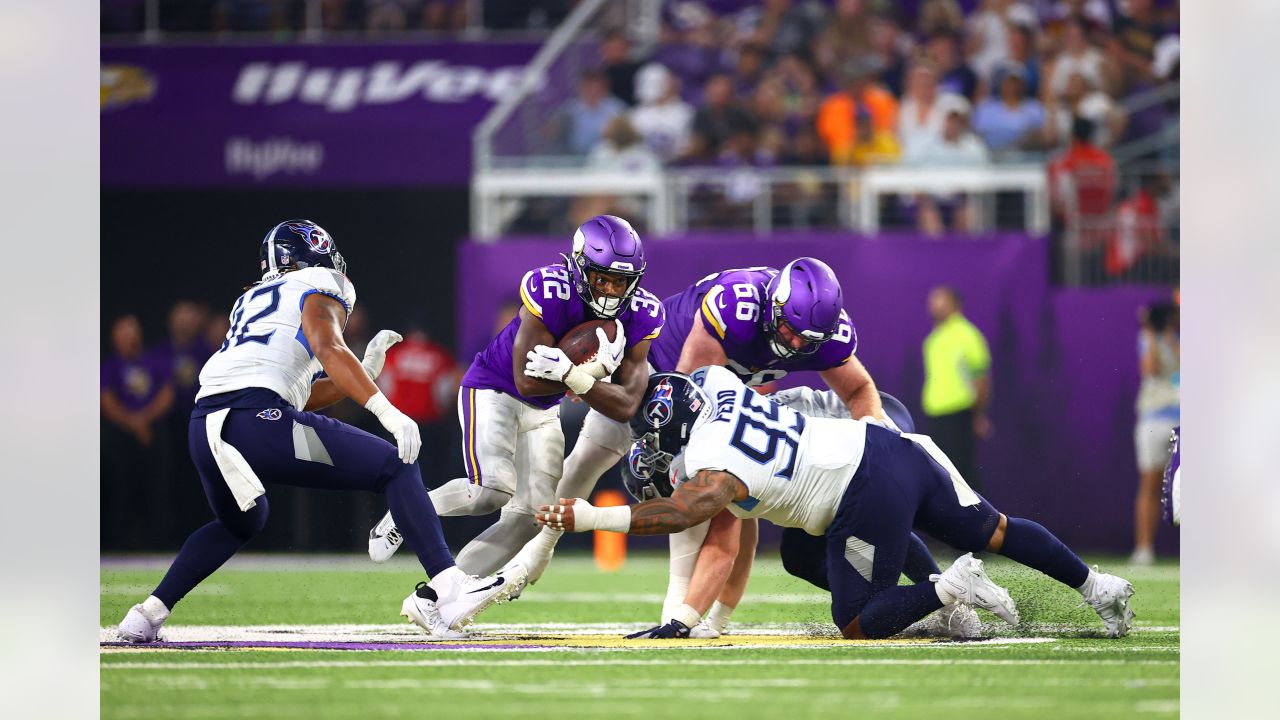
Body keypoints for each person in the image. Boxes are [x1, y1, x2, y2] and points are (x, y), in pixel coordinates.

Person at [116, 220, 524, 644]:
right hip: (252, 417)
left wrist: (362, 373)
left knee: (241, 521)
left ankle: (146, 615)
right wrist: (388, 411)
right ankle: (447, 586)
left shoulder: (250, 299)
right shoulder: (322, 283)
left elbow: (294, 395)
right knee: (394, 463)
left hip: (206, 426)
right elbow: (328, 349)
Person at [536, 368, 1137, 640]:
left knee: (855, 621)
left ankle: (948, 592)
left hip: (859, 490)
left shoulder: (710, 466)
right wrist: (590, 385)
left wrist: (589, 516)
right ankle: (1098, 587)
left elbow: (683, 514)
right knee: (994, 529)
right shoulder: (716, 382)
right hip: (889, 444)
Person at [512, 259, 897, 637]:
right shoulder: (736, 306)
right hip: (658, 380)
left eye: (808, 340)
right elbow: (687, 397)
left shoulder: (822, 335)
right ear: (773, 306)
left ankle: (691, 615)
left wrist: (870, 442)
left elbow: (860, 390)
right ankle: (540, 549)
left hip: (717, 402)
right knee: (588, 462)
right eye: (790, 329)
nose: (795, 343)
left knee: (732, 509)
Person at [367, 215, 665, 577]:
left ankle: (446, 593)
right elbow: (526, 382)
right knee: (490, 492)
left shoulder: (643, 313)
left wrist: (575, 377)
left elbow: (627, 405)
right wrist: (585, 381)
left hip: (544, 409)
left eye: (622, 282)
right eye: (602, 278)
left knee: (531, 517)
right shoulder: (549, 289)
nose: (611, 291)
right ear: (578, 266)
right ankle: (406, 509)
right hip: (494, 388)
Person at [101, 314, 175, 548]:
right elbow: (106, 399)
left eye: (132, 333)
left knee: (156, 487)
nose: (129, 338)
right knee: (122, 488)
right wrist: (132, 422)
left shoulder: (155, 361)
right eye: (123, 334)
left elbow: (167, 392)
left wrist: (145, 419)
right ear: (115, 338)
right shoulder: (110, 366)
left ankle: (157, 541)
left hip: (153, 433)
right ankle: (121, 541)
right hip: (121, 436)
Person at [921, 286, 992, 491]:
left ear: (955, 304)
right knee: (942, 474)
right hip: (936, 415)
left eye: (940, 300)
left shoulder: (968, 335)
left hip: (959, 414)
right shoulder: (933, 339)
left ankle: (984, 521)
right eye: (933, 301)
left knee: (962, 474)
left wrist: (977, 416)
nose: (934, 306)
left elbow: (981, 379)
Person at [1131, 301, 1178, 565]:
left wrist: (1171, 338)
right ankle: (1144, 548)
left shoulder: (1182, 340)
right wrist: (1150, 332)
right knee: (1150, 483)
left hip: (1182, 420)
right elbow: (1151, 369)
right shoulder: (1145, 340)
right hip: (1153, 420)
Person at [558, 70, 627, 156]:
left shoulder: (617, 109)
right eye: (588, 86)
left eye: (595, 86)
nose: (592, 90)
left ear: (604, 87)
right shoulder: (570, 110)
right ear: (581, 87)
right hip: (576, 159)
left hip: (608, 158)